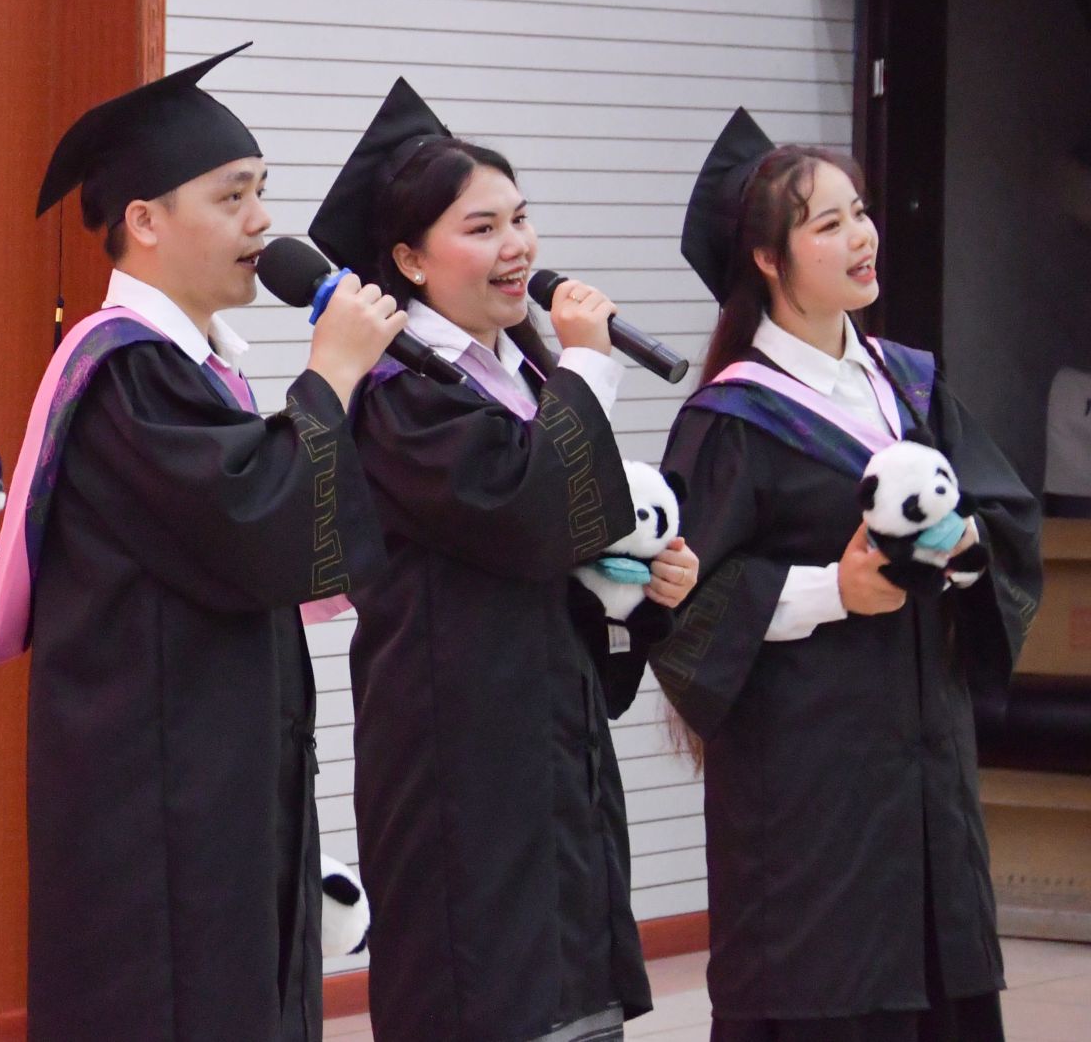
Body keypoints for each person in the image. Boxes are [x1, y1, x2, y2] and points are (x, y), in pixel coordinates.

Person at [0, 44, 407, 1042]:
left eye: (261, 192)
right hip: (159, 819)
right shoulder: (129, 371)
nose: (261, 222)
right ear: (146, 222)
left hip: (214, 794)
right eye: (231, 195)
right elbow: (253, 524)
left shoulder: (191, 369)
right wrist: (330, 378)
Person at [309, 78, 694, 1042]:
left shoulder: (519, 376)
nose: (516, 245)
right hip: (460, 757)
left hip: (550, 742)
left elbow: (564, 549)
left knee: (573, 999)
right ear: (409, 259)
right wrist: (590, 363)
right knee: (487, 998)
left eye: (520, 218)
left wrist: (638, 592)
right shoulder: (399, 393)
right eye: (481, 228)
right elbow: (524, 512)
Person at [651, 110, 1044, 1042]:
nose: (863, 235)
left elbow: (1004, 519)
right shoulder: (731, 418)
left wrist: (963, 548)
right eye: (828, 223)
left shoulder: (909, 383)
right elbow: (679, 606)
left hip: (927, 778)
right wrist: (837, 588)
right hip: (806, 798)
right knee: (830, 997)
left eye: (860, 211)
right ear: (767, 260)